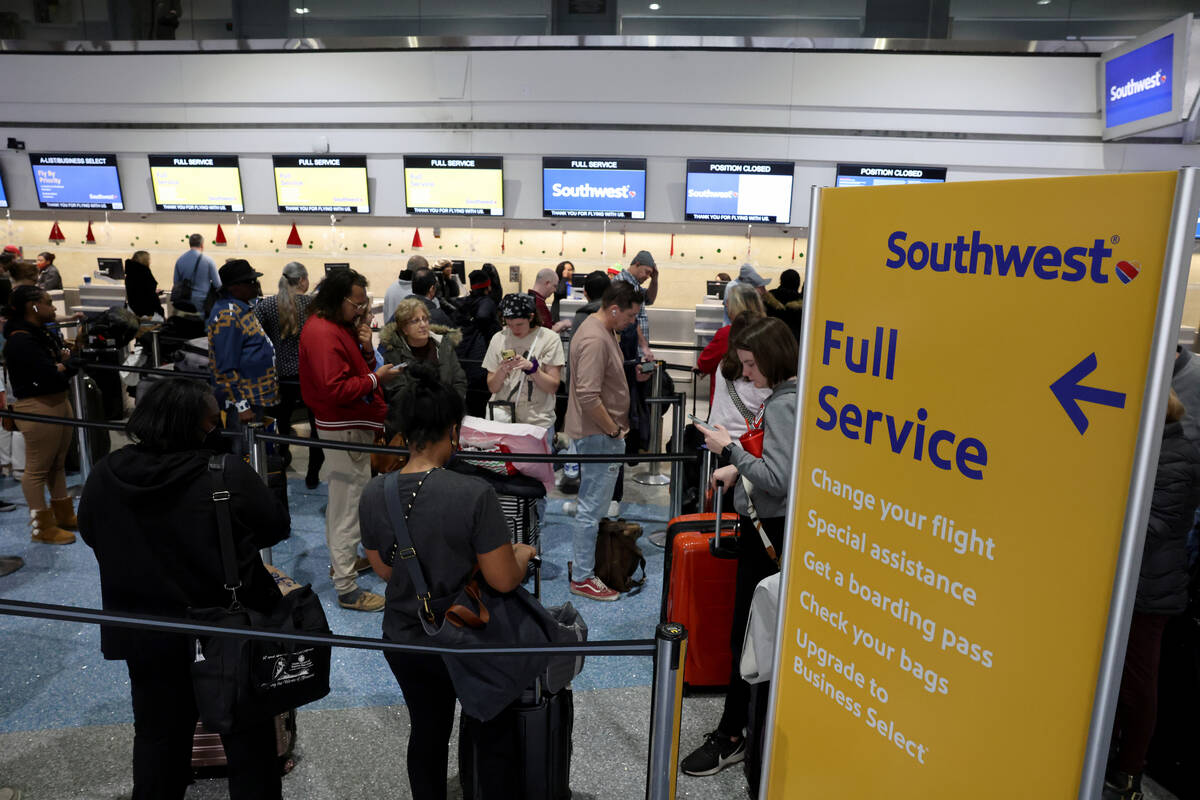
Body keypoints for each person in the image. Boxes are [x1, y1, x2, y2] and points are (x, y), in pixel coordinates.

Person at [79, 377, 288, 800]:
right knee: (248, 743)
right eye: (212, 420)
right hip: (225, 631)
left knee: (158, 739)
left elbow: (90, 532)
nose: (218, 426)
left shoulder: (106, 474)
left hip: (145, 629)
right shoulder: (224, 472)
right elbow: (275, 527)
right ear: (191, 424)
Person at [359, 362, 536, 800]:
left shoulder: (374, 492)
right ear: (453, 430)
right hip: (469, 634)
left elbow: (383, 568)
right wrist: (523, 554)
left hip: (404, 635)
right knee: (488, 729)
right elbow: (502, 579)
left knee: (427, 731)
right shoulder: (473, 494)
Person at [687, 316, 799, 779]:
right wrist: (739, 468)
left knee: (747, 635)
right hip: (770, 527)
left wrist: (729, 450)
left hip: (766, 532)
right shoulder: (790, 397)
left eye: (752, 364)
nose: (747, 373)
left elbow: (778, 476)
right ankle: (742, 727)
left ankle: (733, 734)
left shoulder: (782, 405)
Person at [1104, 389, 1200, 800]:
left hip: (1148, 590)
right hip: (1129, 583)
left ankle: (1128, 774)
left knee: (1137, 685)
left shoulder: (1178, 455)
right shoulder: (1144, 448)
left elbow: (1152, 525)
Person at [300, 268, 403, 611]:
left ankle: (343, 564)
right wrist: (376, 379)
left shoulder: (333, 328)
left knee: (344, 503)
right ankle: (346, 587)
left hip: (349, 423)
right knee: (348, 507)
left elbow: (356, 371)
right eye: (357, 304)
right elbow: (336, 388)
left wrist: (367, 350)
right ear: (338, 298)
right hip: (343, 427)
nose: (361, 311)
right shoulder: (322, 333)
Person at [565, 280, 642, 602]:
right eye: (629, 315)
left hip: (597, 434)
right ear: (613, 308)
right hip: (598, 436)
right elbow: (587, 394)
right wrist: (612, 430)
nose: (632, 322)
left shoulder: (600, 331)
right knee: (591, 509)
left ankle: (585, 566)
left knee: (591, 506)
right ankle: (583, 577)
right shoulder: (596, 339)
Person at [3, 285, 76, 541]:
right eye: (48, 302)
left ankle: (63, 513)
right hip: (37, 407)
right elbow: (47, 373)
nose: (54, 307)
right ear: (33, 306)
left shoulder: (38, 334)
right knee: (37, 469)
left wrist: (64, 365)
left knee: (57, 462)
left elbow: (55, 367)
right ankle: (41, 527)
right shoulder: (21, 340)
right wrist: (66, 366)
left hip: (56, 400)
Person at [254, 261, 324, 488]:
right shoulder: (314, 305)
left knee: (280, 425)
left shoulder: (267, 305)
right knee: (316, 429)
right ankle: (312, 476)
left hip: (278, 377)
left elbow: (256, 336)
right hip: (309, 376)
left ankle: (279, 465)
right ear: (302, 280)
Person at [206, 259, 278, 449]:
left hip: (253, 398)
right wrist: (241, 406)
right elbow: (224, 367)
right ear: (235, 287)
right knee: (242, 452)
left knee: (252, 450)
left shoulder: (241, 308)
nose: (256, 286)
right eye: (251, 282)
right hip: (244, 402)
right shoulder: (228, 317)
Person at [483, 293, 564, 431]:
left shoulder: (549, 339)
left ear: (531, 317)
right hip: (503, 418)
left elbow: (552, 387)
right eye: (509, 324)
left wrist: (533, 370)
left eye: (519, 324)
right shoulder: (498, 338)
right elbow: (492, 388)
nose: (514, 330)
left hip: (537, 421)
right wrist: (501, 371)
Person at [381, 297, 467, 405]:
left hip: (447, 412)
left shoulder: (444, 346)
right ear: (404, 329)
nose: (423, 325)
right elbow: (397, 393)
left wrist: (451, 407)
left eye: (425, 319)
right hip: (412, 416)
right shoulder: (394, 355)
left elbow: (459, 382)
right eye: (415, 321)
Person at [697, 282, 765, 404]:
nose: (726, 304)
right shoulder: (768, 331)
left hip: (727, 407)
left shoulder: (726, 334)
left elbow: (704, 363)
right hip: (759, 405)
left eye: (728, 301)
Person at [454, 269, 502, 417]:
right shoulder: (486, 302)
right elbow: (482, 316)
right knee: (481, 402)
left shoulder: (465, 302)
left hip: (465, 358)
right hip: (480, 360)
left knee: (469, 401)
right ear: (488, 287)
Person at [614, 250, 658, 360]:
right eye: (647, 272)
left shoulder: (635, 285)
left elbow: (650, 299)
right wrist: (644, 346)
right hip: (627, 347)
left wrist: (655, 280)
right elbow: (629, 318)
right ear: (637, 264)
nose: (648, 276)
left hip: (635, 348)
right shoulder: (623, 282)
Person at [172, 233, 220, 315]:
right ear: (202, 245)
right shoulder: (208, 261)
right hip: (202, 303)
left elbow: (176, 282)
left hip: (184, 302)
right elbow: (218, 284)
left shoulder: (180, 260)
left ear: (190, 244)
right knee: (201, 326)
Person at [384, 254, 428, 325]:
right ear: (420, 271)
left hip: (390, 334)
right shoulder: (416, 293)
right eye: (426, 271)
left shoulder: (391, 288)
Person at [764, 268, 803, 340]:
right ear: (798, 284)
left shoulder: (769, 296)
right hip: (793, 343)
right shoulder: (802, 303)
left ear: (781, 281)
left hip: (769, 339)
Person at [528, 268, 571, 333]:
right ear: (547, 283)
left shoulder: (531, 298)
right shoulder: (538, 304)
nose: (555, 290)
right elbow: (546, 333)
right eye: (555, 286)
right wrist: (563, 323)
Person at [124, 250, 164, 318]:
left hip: (134, 309)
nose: (149, 262)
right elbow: (147, 295)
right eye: (148, 259)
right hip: (146, 311)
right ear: (144, 260)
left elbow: (140, 290)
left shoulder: (130, 273)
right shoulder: (144, 273)